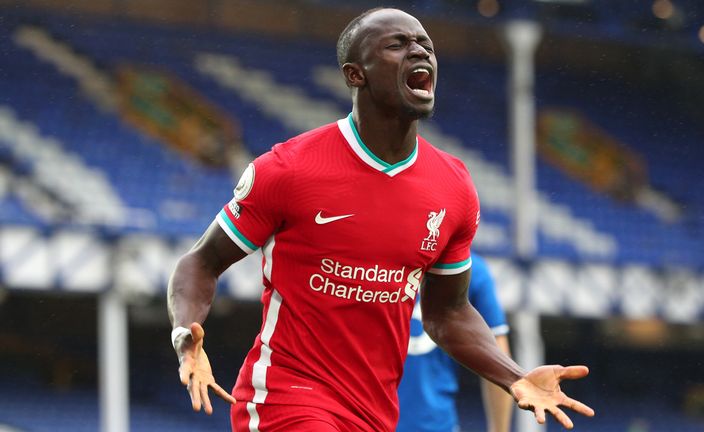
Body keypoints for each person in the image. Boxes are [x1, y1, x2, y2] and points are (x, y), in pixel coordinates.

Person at [167, 7, 594, 432]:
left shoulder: (454, 187)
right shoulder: (289, 169)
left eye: (425, 44)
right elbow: (201, 262)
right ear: (357, 74)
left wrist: (514, 375)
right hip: (287, 398)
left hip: (374, 413)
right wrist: (186, 334)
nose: (419, 51)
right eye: (398, 44)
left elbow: (447, 313)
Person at [397, 251, 512, 432]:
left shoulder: (375, 262)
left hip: (367, 420)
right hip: (434, 424)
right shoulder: (472, 269)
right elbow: (499, 357)